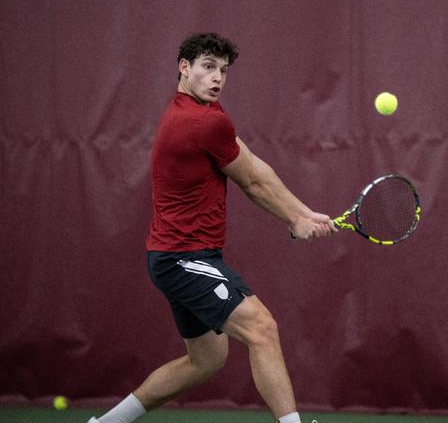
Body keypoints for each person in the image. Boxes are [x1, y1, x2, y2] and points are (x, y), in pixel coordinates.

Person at [88, 33, 336, 423]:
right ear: (183, 67)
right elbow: (251, 183)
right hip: (183, 258)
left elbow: (253, 165)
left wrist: (304, 212)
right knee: (262, 328)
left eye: (223, 70)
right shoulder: (202, 121)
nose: (217, 77)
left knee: (204, 361)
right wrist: (293, 221)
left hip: (172, 257)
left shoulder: (199, 111)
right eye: (207, 66)